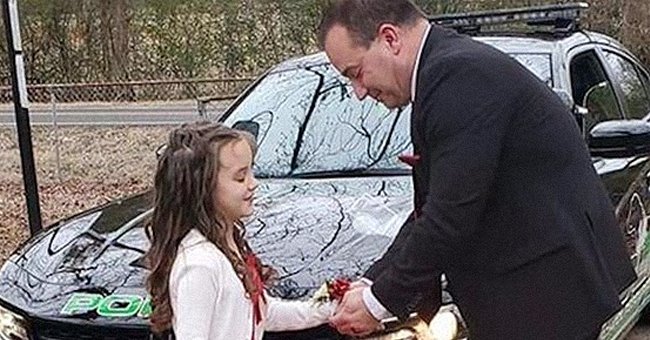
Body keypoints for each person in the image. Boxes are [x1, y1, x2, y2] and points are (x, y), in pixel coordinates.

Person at [318, 0, 637, 339]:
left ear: (390, 38)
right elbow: (431, 209)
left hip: (549, 307)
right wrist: (372, 281)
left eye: (356, 72)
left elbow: (450, 216)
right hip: (540, 302)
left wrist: (377, 302)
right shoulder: (445, 74)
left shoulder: (457, 77)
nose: (359, 91)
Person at [144, 121, 334, 340]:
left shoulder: (226, 245)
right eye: (240, 177)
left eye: (251, 172)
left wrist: (328, 308)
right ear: (202, 188)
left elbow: (262, 312)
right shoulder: (199, 265)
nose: (253, 184)